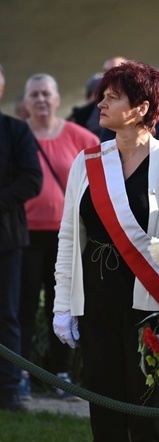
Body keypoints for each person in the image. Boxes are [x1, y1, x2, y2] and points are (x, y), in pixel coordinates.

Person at [53, 60, 159, 442]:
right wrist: (63, 303)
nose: (101, 102)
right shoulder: (87, 161)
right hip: (96, 309)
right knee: (106, 423)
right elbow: (68, 236)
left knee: (149, 426)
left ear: (139, 108)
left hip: (152, 313)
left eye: (112, 96)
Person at [19, 73, 98, 401]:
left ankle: (61, 374)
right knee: (21, 306)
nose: (40, 100)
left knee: (61, 305)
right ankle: (21, 372)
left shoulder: (80, 136)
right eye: (34, 94)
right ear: (24, 103)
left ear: (56, 99)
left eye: (46, 94)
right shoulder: (17, 135)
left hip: (66, 237)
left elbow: (99, 179)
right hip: (23, 236)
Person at [0, 62, 43, 411]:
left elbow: (32, 179)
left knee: (6, 316)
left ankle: (9, 389)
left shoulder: (15, 131)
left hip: (6, 240)